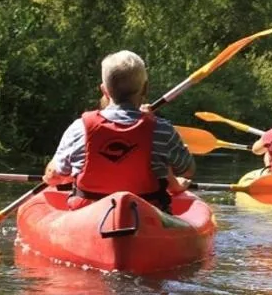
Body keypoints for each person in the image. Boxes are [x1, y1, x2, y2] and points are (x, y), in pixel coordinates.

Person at [43, 50, 195, 211]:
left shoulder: (78, 128)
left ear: (104, 90)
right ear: (145, 89)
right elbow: (187, 169)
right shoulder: (162, 129)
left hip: (88, 214)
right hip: (147, 214)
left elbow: (53, 177)